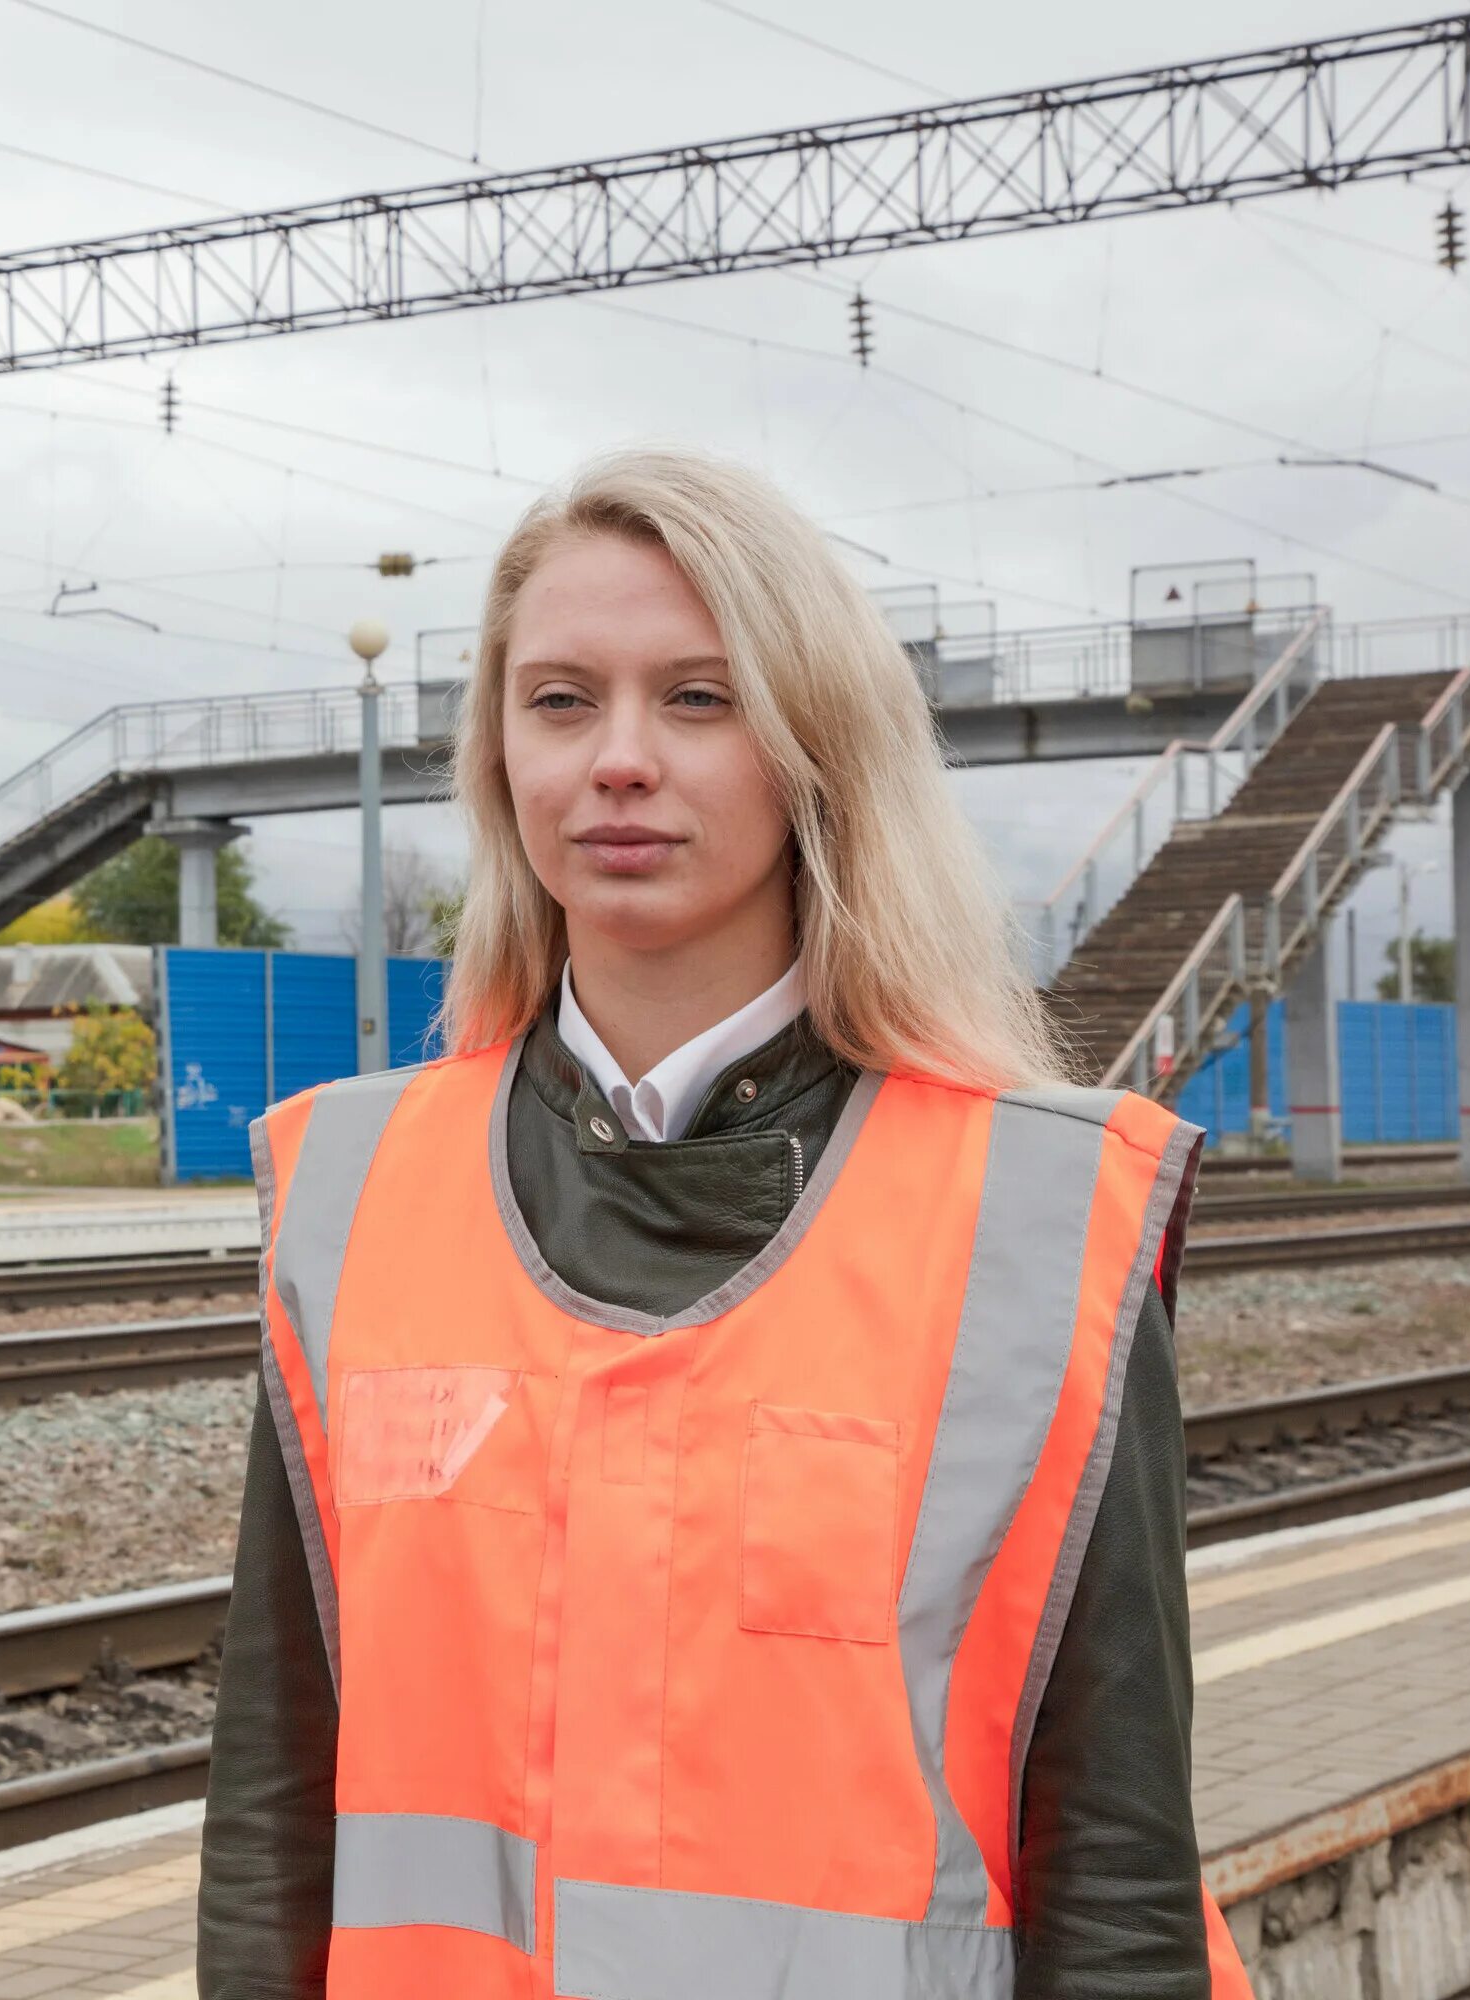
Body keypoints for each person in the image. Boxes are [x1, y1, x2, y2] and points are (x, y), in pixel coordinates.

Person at [197, 448, 1248, 2000]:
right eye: (561, 700)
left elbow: (1117, 1868)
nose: (619, 759)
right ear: (497, 756)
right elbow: (277, 1813)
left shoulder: (1041, 1222)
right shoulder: (354, 1194)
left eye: (700, 697)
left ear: (816, 747)